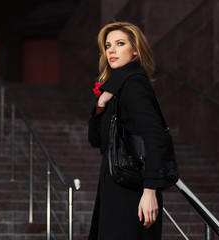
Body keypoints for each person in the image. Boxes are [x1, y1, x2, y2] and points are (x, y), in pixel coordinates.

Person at [88, 22, 169, 240]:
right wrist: (101, 104)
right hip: (115, 183)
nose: (111, 50)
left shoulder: (133, 83)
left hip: (131, 189)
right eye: (107, 45)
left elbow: (155, 136)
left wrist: (150, 191)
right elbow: (97, 141)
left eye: (120, 43)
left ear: (135, 50)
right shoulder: (115, 87)